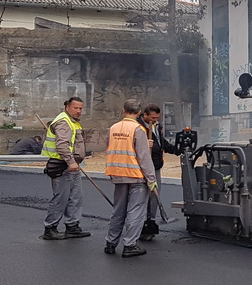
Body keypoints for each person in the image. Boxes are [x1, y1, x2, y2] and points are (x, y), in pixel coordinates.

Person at [104, 99, 158, 258]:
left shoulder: (113, 128)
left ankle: (111, 242)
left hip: (117, 174)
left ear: (123, 110)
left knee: (118, 211)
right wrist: (151, 179)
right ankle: (129, 245)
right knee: (135, 212)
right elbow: (143, 157)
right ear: (140, 112)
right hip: (135, 176)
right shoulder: (138, 129)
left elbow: (111, 147)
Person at [39, 97, 91, 240]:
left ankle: (72, 226)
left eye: (81, 108)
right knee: (61, 198)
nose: (79, 111)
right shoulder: (63, 122)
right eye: (76, 108)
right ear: (67, 107)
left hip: (71, 165)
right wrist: (70, 162)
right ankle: (50, 228)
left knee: (75, 196)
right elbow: (62, 145)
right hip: (61, 165)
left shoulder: (73, 122)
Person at [137, 104, 179, 239]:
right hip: (143, 168)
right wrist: (153, 147)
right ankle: (142, 224)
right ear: (145, 115)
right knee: (144, 198)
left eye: (157, 117)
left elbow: (161, 143)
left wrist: (175, 149)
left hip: (156, 166)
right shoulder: (139, 128)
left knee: (154, 196)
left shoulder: (155, 126)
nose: (155, 120)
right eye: (153, 117)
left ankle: (151, 221)